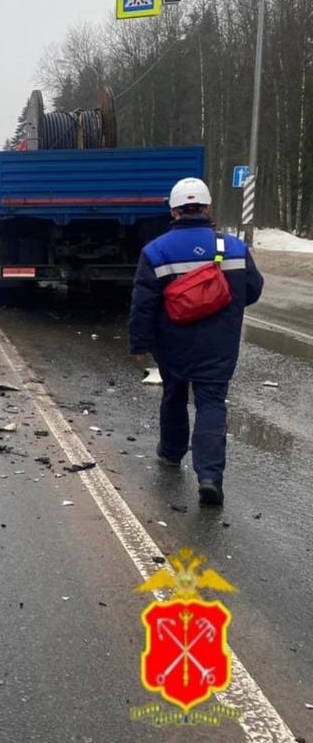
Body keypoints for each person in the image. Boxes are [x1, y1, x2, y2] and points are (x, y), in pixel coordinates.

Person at [129, 177, 264, 508]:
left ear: (173, 211)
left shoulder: (156, 251)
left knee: (174, 394)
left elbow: (143, 304)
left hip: (173, 343)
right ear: (207, 208)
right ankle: (209, 477)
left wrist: (140, 343)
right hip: (219, 345)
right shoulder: (232, 247)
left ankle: (171, 454)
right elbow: (253, 289)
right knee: (212, 404)